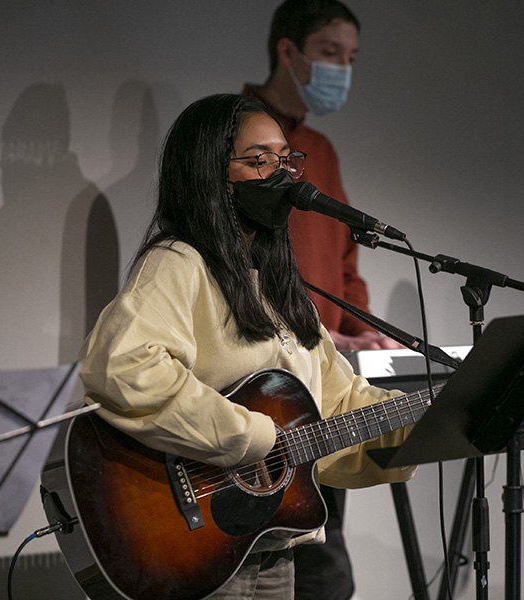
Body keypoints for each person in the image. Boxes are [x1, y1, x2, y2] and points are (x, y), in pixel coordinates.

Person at [79, 93, 416, 599]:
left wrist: (430, 419)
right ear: (211, 176)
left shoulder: (280, 285)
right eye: (259, 162)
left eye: (286, 160)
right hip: (195, 543)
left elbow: (339, 404)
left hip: (270, 544)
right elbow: (122, 366)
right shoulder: (179, 263)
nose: (281, 176)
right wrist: (253, 436)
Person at [242, 3, 401, 597]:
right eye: (331, 54)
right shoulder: (238, 141)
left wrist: (362, 329)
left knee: (323, 565)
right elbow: (233, 268)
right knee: (298, 570)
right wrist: (306, 333)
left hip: (323, 384)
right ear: (289, 51)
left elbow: (343, 268)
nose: (342, 70)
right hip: (262, 396)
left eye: (351, 59)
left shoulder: (322, 151)